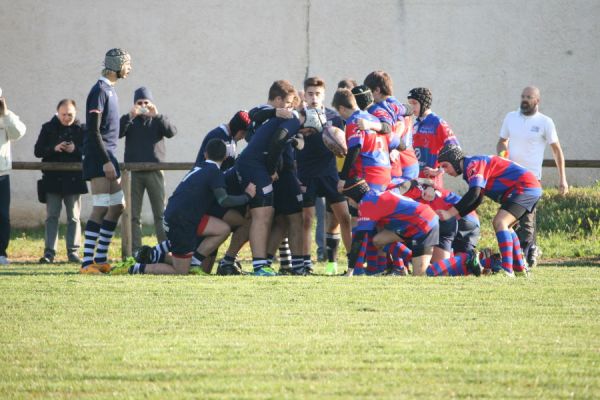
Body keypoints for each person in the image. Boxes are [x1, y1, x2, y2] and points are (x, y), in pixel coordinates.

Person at [112, 139, 255, 275]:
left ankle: (173, 258)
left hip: (182, 215)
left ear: (205, 154)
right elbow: (224, 200)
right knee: (180, 271)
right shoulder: (214, 172)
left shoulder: (200, 166)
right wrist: (247, 196)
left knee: (223, 229)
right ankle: (135, 268)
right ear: (225, 157)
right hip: (182, 221)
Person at [436, 144, 542, 277]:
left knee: (500, 222)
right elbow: (478, 199)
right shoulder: (472, 167)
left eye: (445, 165)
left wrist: (450, 212)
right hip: (527, 187)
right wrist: (457, 216)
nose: (444, 171)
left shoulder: (473, 164)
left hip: (525, 187)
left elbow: (474, 194)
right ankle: (519, 268)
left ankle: (507, 270)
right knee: (507, 226)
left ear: (455, 160)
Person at [497, 86, 568, 267]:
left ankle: (527, 256)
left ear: (537, 100)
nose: (524, 99)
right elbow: (502, 142)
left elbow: (557, 150)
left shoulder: (545, 122)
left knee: (527, 219)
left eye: (529, 97)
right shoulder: (510, 118)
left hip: (531, 179)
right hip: (510, 177)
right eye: (523, 96)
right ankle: (517, 254)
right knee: (510, 217)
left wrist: (563, 179)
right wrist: (502, 155)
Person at [80, 48, 131, 274]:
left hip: (109, 158)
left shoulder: (110, 90)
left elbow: (111, 130)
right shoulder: (99, 90)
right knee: (101, 207)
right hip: (98, 159)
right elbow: (93, 130)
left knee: (118, 205)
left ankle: (100, 259)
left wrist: (132, 116)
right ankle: (86, 263)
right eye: (127, 64)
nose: (129, 68)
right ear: (117, 66)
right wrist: (105, 161)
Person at [297, 77, 351, 275]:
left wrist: (340, 145)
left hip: (329, 174)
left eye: (317, 94)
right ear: (304, 94)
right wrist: (300, 136)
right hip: (305, 174)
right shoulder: (298, 118)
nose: (314, 97)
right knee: (306, 220)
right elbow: (294, 143)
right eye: (310, 93)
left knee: (344, 217)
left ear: (324, 96)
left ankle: (350, 265)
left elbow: (344, 145)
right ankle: (305, 264)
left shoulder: (334, 118)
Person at [119, 86, 177, 254]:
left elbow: (171, 132)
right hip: (133, 173)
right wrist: (131, 115)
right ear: (134, 104)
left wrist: (157, 115)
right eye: (139, 102)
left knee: (160, 214)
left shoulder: (158, 119)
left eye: (146, 102)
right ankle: (135, 250)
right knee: (133, 214)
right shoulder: (129, 120)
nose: (143, 105)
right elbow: (118, 133)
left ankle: (165, 249)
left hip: (155, 172)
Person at [342, 177, 439, 276]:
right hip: (412, 223)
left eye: (348, 199)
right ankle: (408, 263)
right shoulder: (373, 195)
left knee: (421, 275)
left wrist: (350, 270)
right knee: (378, 240)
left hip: (423, 223)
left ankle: (450, 267)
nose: (349, 203)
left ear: (353, 196)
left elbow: (359, 239)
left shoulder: (367, 204)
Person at [34, 99, 87, 263]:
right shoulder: (48, 128)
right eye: (63, 114)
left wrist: (75, 150)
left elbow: (89, 150)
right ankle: (49, 253)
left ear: (75, 113)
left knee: (74, 218)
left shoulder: (82, 129)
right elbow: (38, 151)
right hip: (52, 179)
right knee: (52, 217)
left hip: (74, 180)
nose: (66, 117)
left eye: (70, 114)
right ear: (57, 113)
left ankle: (73, 252)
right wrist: (54, 148)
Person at [332, 88, 391, 193]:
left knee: (364, 206)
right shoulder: (373, 118)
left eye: (339, 112)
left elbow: (355, 148)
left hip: (369, 174)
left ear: (341, 108)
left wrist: (343, 178)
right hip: (385, 172)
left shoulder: (353, 120)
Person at [407, 87, 460, 187]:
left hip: (431, 184)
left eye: (414, 103)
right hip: (415, 180)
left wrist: (439, 170)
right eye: (409, 103)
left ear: (424, 103)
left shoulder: (438, 123)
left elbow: (455, 150)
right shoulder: (415, 125)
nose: (411, 107)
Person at [0, 88, 27, 265]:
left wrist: (5, 114)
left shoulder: (7, 116)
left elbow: (18, 133)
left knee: (2, 216)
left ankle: (1, 252)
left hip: (1, 174)